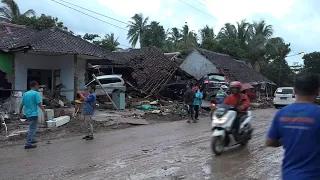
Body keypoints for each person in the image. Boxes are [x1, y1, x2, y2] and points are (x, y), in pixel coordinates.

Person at [266, 73, 320, 180]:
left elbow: (270, 142)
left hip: (289, 175)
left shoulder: (281, 113)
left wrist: (286, 138)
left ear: (294, 91)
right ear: (317, 91)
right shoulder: (318, 113)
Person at [19, 81, 45, 149]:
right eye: (37, 86)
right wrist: (43, 110)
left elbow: (21, 104)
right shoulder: (36, 94)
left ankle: (32, 140)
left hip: (27, 114)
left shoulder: (25, 94)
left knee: (32, 127)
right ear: (35, 86)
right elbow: (39, 103)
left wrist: (20, 112)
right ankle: (28, 144)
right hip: (34, 114)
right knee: (32, 129)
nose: (38, 87)